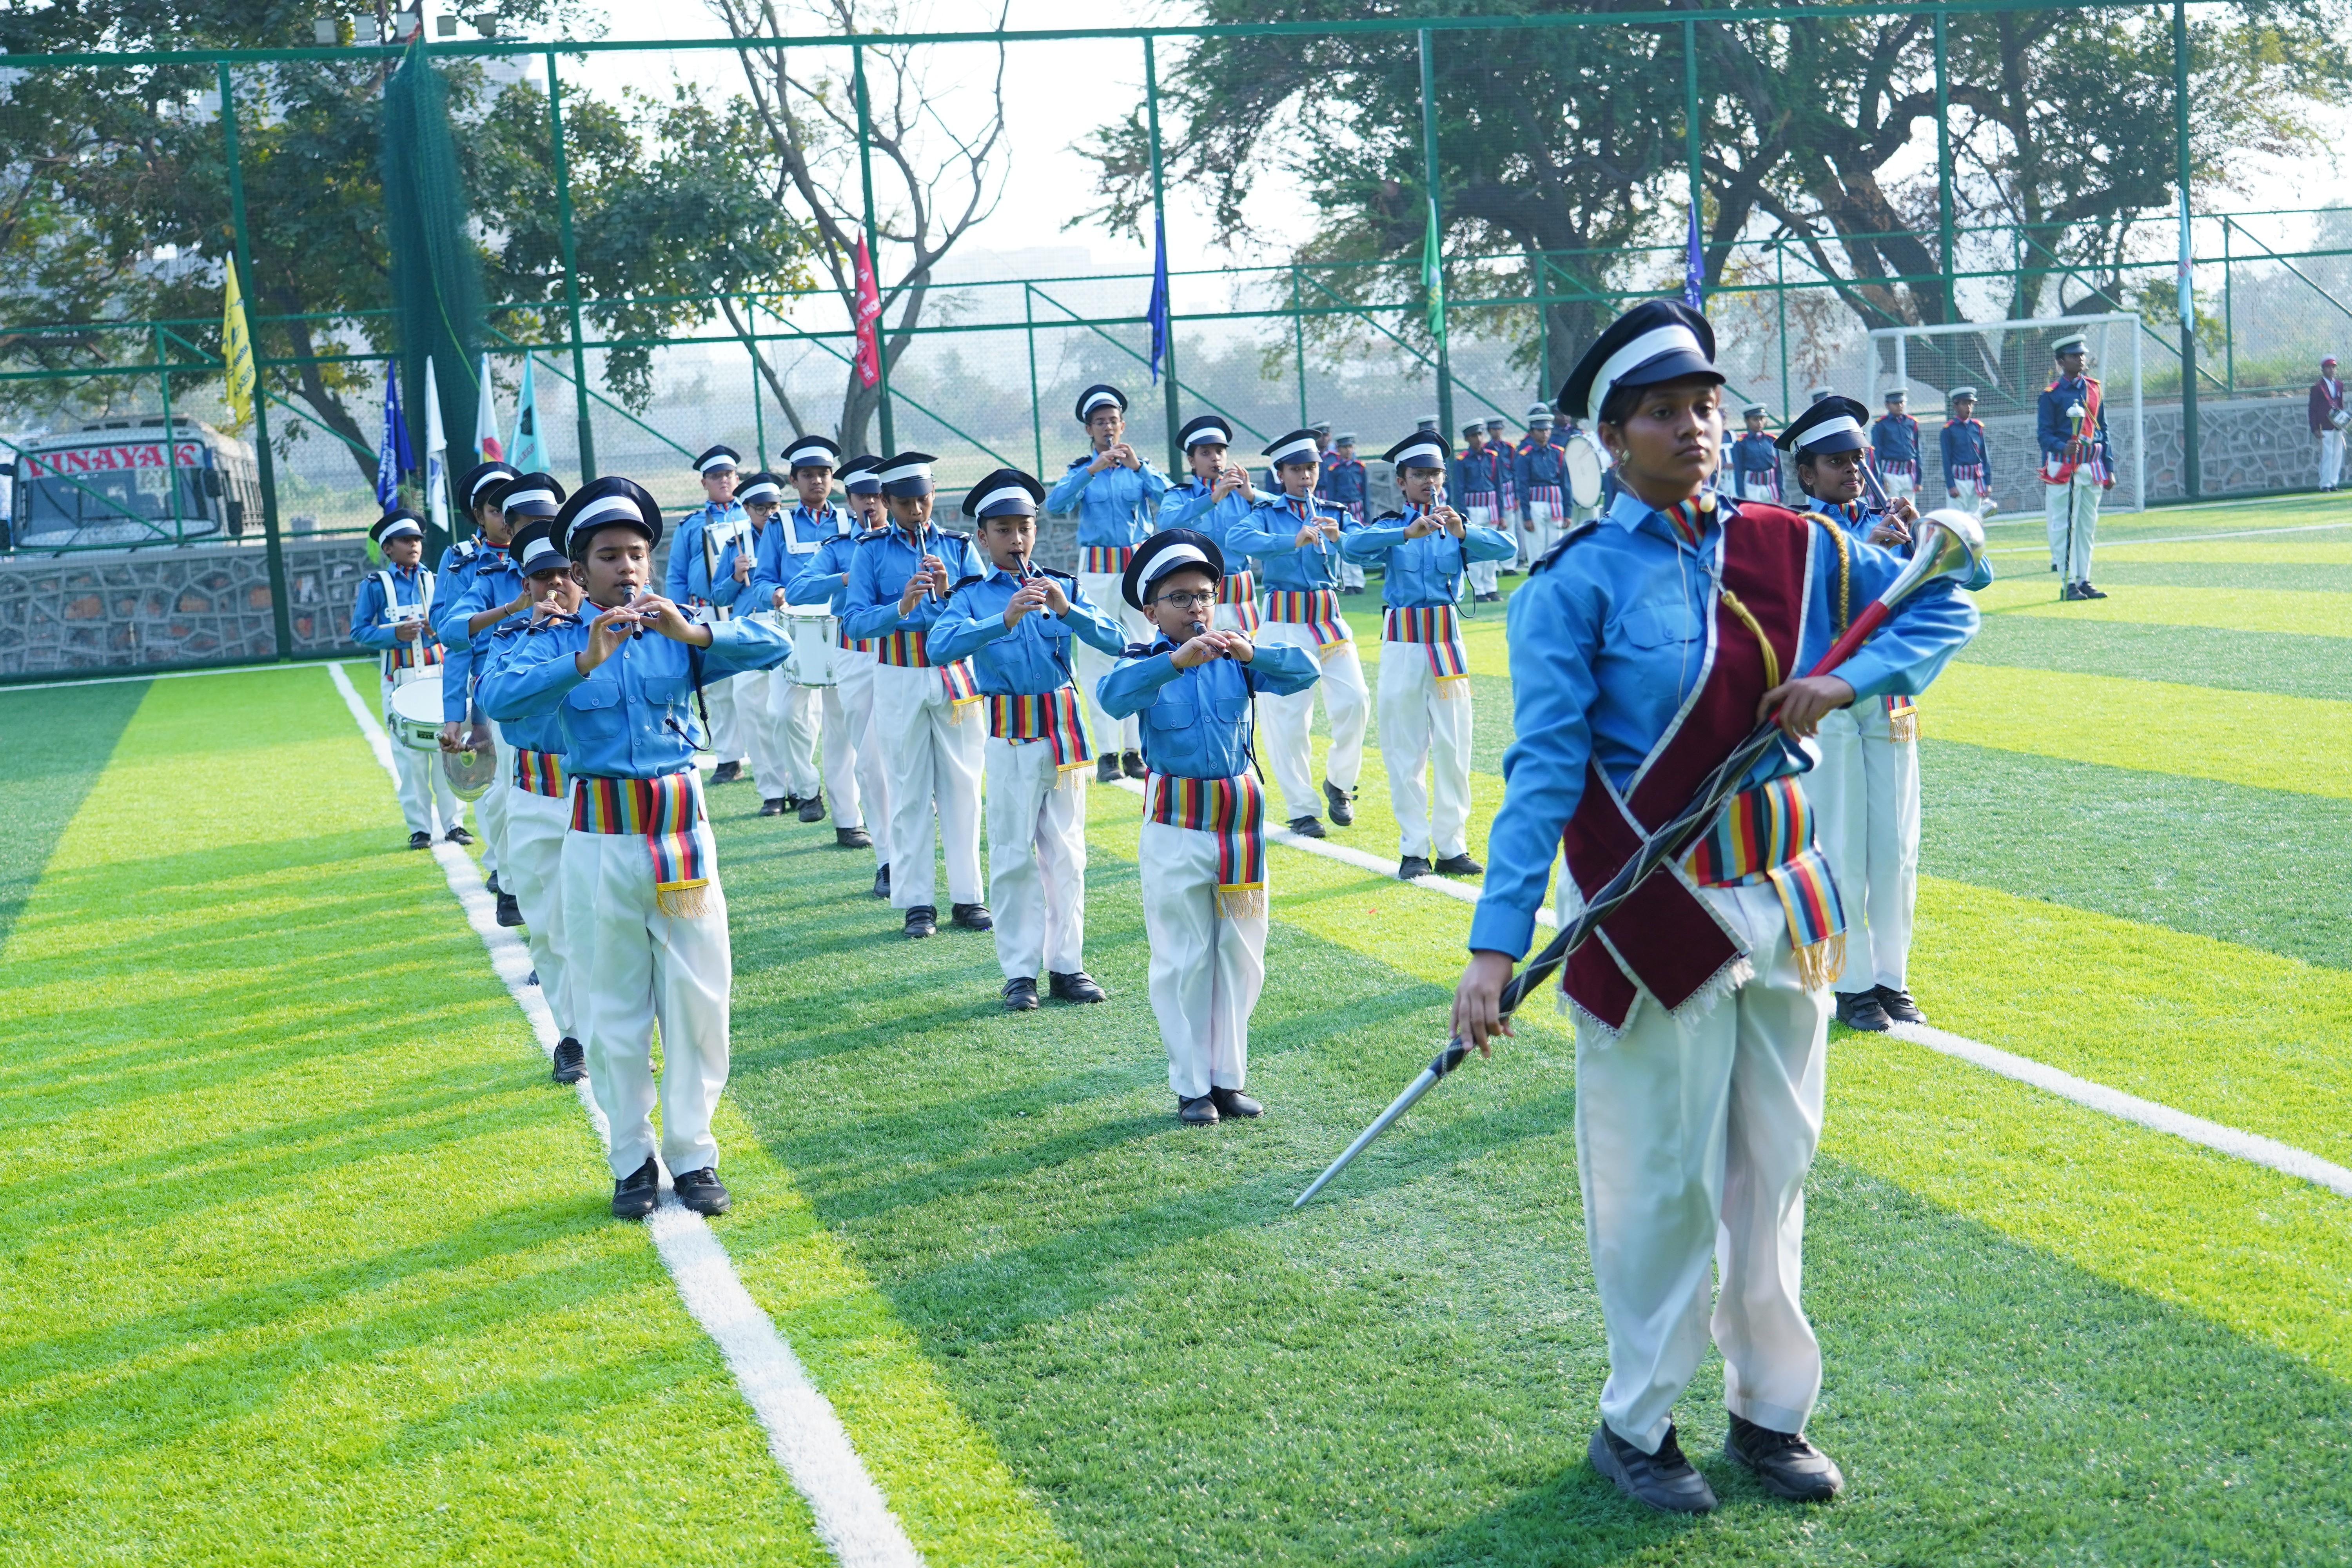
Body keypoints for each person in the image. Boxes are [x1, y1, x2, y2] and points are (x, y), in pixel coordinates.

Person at [1451, 300, 1981, 1516]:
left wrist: (1845, 675)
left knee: (1771, 1171)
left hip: (1785, 901)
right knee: (1657, 1183)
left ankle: (1767, 1414)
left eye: (1704, 405)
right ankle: (1635, 1421)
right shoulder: (1570, 584)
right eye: (1660, 412)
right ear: (1610, 435)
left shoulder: (1792, 544)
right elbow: (1541, 772)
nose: (1693, 428)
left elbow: (1949, 591)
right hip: (1656, 917)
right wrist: (1492, 945)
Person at [476, 476, 793, 1220]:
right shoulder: (548, 640)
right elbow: (501, 701)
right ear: (578, 572)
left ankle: (693, 1153)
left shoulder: (676, 634)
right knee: (611, 1006)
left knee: (699, 1003)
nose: (626, 569)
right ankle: (631, 1160)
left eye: (637, 554)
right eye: (609, 556)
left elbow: (777, 644)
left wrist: (697, 635)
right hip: (600, 840)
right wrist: (582, 661)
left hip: (683, 839)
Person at [1097, 529, 1321, 1125]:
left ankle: (1228, 1079)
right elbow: (1112, 699)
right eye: (1180, 598)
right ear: (1151, 612)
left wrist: (1251, 653)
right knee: (1182, 956)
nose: (1197, 607)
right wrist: (1174, 662)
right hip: (1177, 823)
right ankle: (1191, 1085)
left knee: (1243, 955)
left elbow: (1303, 671)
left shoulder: (1237, 657)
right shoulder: (1142, 661)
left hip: (1241, 828)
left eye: (1204, 595)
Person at [1778, 395, 1967, 1036]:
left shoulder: (1891, 521)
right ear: (1807, 474)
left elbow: (1969, 582)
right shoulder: (1798, 531)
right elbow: (1816, 597)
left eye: (1858, 459)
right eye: (1836, 462)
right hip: (1829, 705)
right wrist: (1876, 550)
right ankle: (1853, 984)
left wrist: (1923, 544)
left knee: (1896, 849)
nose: (1852, 471)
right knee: (1841, 850)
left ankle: (1893, 977)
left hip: (1889, 703)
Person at [930, 469, 1125, 1011]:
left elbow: (1116, 638)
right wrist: (1001, 620)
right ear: (983, 538)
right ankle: (1020, 972)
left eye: (1025, 528)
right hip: (1010, 732)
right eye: (1004, 530)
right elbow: (939, 647)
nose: (1017, 540)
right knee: (1014, 855)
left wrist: (1067, 609)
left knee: (1068, 855)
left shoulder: (1063, 585)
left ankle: (1068, 965)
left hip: (1065, 731)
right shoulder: (972, 596)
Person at [1344, 432, 1517, 879]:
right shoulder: (1389, 525)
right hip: (1402, 644)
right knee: (1405, 750)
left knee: (1455, 747)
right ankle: (1414, 849)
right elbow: (1351, 548)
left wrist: (1463, 530)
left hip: (1446, 643)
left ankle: (1452, 846)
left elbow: (1508, 548)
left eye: (1435, 473)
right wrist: (1405, 533)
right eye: (1419, 474)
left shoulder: (1454, 522)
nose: (1429, 481)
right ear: (1401, 482)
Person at [841, 452, 991, 940]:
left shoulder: (959, 546)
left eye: (924, 500)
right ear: (886, 502)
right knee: (905, 788)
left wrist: (949, 597)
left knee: (964, 787)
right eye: (905, 503)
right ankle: (916, 901)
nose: (917, 511)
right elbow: (854, 621)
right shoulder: (870, 550)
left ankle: (969, 897)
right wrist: (901, 605)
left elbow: (984, 613)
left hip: (953, 676)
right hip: (898, 672)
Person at [473, 517, 588, 1085]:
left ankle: (615, 1030)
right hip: (536, 794)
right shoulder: (509, 642)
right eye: (540, 578)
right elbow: (496, 700)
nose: (554, 588)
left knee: (609, 925)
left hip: (600, 798)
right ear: (526, 584)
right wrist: (539, 636)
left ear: (581, 575)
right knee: (549, 926)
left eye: (563, 575)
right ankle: (573, 1035)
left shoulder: (611, 631)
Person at [435, 470, 566, 926]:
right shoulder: (491, 574)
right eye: (528, 521)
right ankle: (512, 885)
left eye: (548, 519)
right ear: (509, 526)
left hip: (573, 695)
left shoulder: (582, 562)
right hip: (505, 699)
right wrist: (514, 608)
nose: (538, 528)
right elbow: (453, 633)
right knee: (504, 800)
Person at [1226, 428, 1370, 839]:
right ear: (1281, 474)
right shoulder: (1269, 511)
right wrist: (1292, 539)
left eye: (1311, 468)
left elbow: (1364, 546)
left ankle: (1339, 782)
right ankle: (1301, 809)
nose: (1305, 476)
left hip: (1328, 620)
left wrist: (1341, 538)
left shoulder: (1334, 510)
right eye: (1296, 469)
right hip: (1283, 622)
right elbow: (1239, 537)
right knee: (1287, 719)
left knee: (1356, 700)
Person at [1045, 384, 1169, 782]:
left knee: (1144, 650)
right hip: (1097, 569)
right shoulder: (1082, 469)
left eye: (1113, 421)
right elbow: (1054, 505)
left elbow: (1170, 498)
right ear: (1089, 430)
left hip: (1137, 567)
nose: (1108, 429)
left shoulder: (1138, 465)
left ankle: (1136, 749)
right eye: (1100, 422)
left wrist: (1139, 469)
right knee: (1097, 656)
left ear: (1123, 425)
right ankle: (1107, 752)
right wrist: (1091, 471)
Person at [786, 455, 889, 886]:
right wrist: (845, 578)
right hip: (855, 652)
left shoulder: (912, 541)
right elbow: (798, 588)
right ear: (849, 500)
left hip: (907, 654)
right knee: (861, 748)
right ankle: (864, 833)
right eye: (862, 496)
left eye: (877, 496)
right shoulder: (839, 546)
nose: (871, 504)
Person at [350, 508, 459, 849]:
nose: (414, 545)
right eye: (405, 540)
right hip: (399, 679)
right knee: (409, 757)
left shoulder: (436, 579)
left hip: (439, 677)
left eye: (417, 540)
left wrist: (437, 628)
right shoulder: (375, 586)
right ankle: (420, 829)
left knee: (447, 752)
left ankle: (454, 824)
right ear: (388, 548)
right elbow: (360, 631)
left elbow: (456, 624)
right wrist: (395, 633)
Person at [711, 469, 798, 816]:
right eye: (761, 508)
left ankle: (800, 787)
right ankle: (772, 792)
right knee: (752, 710)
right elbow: (717, 594)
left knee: (788, 713)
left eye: (774, 506)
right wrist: (735, 575)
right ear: (746, 509)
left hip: (786, 626)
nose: (769, 513)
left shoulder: (791, 535)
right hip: (748, 630)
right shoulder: (735, 544)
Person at [666, 445, 755, 780]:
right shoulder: (691, 525)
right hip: (705, 610)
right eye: (716, 476)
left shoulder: (750, 517)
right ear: (704, 482)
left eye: (729, 475)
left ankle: (753, 750)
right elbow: (675, 574)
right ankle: (729, 757)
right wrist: (679, 616)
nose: (724, 481)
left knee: (748, 684)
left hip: (743, 609)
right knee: (716, 686)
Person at [1159, 413, 1271, 634]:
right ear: (1192, 460)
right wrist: (1211, 499)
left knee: (1247, 661)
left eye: (1220, 452)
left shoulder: (1243, 493)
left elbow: (1283, 510)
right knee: (1202, 659)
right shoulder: (1181, 495)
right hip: (1200, 602)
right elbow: (1166, 521)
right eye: (1205, 453)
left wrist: (1251, 496)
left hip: (1242, 600)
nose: (1215, 459)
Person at [2038, 334, 2114, 600]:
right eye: (2074, 356)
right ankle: (2067, 581)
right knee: (2063, 525)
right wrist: (2061, 447)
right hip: (2063, 467)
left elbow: (2103, 429)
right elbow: (2044, 435)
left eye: (2082, 355)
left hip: (2091, 466)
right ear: (2061, 362)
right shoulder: (2051, 395)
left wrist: (2109, 466)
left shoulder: (2094, 388)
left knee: (2086, 526)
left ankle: (2084, 578)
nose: (2080, 359)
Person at [1452, 422, 1504, 603]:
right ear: (1467, 439)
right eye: (1474, 436)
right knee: (1474, 548)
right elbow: (1458, 489)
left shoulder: (1493, 457)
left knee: (1490, 549)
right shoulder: (1462, 460)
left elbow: (1499, 486)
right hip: (1473, 507)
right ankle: (1479, 589)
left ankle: (1491, 588)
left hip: (1491, 507)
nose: (1479, 439)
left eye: (1481, 435)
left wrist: (1502, 513)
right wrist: (1464, 514)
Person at [1318, 430, 1372, 594]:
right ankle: (1347, 583)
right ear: (1338, 450)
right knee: (1341, 543)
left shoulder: (1360, 468)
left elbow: (1366, 493)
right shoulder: (1334, 469)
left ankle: (1359, 582)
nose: (1348, 451)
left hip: (1357, 508)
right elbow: (1331, 492)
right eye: (1344, 448)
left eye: (1350, 447)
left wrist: (1367, 515)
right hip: (1342, 509)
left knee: (1357, 542)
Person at [1515, 406, 1569, 566]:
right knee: (1536, 547)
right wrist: (1527, 515)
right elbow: (1522, 486)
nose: (1545, 434)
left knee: (1556, 545)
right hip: (1536, 503)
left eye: (1547, 430)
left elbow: (1566, 484)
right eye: (1540, 430)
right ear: (1532, 432)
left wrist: (1568, 512)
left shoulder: (1558, 453)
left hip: (1555, 503)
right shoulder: (1525, 455)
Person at [1940, 388, 1993, 519]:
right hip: (1959, 480)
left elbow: (1984, 457)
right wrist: (1951, 485)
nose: (1968, 407)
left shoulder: (1977, 427)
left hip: (1976, 479)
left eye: (1971, 404)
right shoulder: (1949, 430)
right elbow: (1946, 460)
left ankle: (1973, 541)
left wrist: (1988, 482)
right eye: (1964, 404)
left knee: (1975, 517)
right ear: (1955, 406)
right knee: (1957, 519)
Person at [1869, 388, 1920, 501]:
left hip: (1909, 473)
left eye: (1902, 402)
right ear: (1887, 405)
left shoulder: (1912, 423)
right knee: (1893, 508)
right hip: (1890, 473)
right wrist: (1880, 478)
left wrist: (1919, 479)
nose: (1900, 406)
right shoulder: (1881, 425)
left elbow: (1917, 451)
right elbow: (1877, 454)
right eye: (1895, 403)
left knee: (1910, 509)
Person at [1728, 404, 1783, 503]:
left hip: (1771, 488)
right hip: (1752, 489)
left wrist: (1781, 492)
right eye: (1755, 419)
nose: (1760, 423)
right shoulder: (1741, 443)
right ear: (1747, 421)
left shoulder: (1772, 441)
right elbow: (1738, 472)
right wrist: (1742, 496)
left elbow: (1779, 470)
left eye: (1762, 419)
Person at [2310, 356, 2345, 492]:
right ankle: (2325, 483)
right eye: (2328, 367)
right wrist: (2314, 428)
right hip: (2324, 425)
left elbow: (2340, 405)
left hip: (2337, 425)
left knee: (2337, 454)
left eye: (2333, 367)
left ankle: (2333, 482)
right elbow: (2312, 409)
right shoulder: (2318, 387)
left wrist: (2343, 422)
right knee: (2327, 454)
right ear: (2323, 369)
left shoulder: (2339, 385)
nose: (2331, 370)